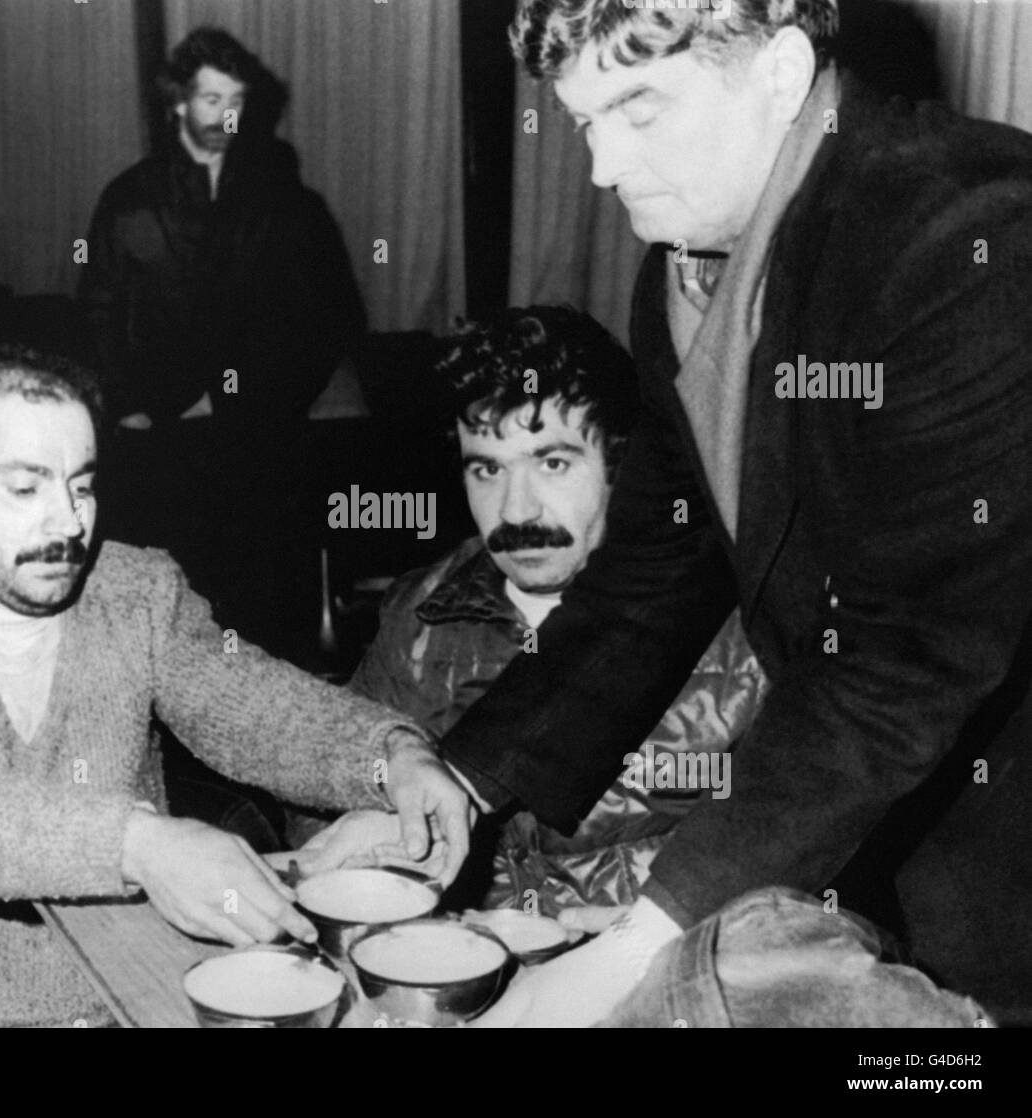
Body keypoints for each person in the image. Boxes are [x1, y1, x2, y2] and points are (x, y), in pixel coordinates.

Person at [379, 0, 1032, 1026]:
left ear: (776, 72)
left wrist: (633, 946)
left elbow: (907, 656)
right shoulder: (679, 268)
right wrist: (466, 776)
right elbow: (658, 568)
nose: (599, 167)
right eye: (584, 117)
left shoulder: (970, 230)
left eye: (637, 105)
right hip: (851, 835)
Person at [0, 344, 467, 1028]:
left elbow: (254, 706)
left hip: (143, 986)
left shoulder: (135, 590)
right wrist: (140, 845)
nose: (70, 522)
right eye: (25, 487)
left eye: (81, 483)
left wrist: (392, 757)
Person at [329, 306, 765, 916]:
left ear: (627, 465)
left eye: (553, 463)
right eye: (487, 469)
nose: (516, 511)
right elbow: (338, 798)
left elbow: (794, 869)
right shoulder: (420, 613)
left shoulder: (744, 624)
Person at [78, 26, 365, 656]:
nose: (223, 117)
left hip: (255, 434)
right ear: (177, 101)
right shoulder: (129, 200)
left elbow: (326, 320)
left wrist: (255, 399)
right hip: (155, 435)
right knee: (165, 613)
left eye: (234, 103)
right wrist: (128, 406)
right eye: (210, 101)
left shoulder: (285, 203)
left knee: (257, 612)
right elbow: (98, 312)